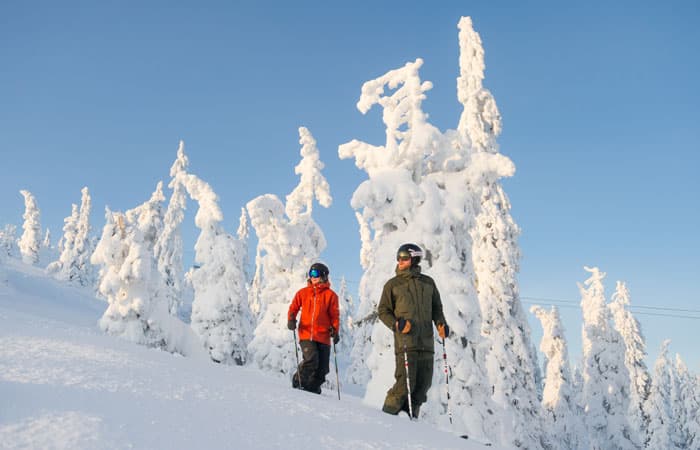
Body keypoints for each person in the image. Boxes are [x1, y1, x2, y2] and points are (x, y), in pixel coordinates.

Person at [378, 243, 449, 418]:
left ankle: (411, 422)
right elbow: (383, 311)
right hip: (406, 343)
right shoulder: (393, 284)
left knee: (422, 387)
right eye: (398, 258)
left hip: (426, 343)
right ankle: (386, 417)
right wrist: (397, 324)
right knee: (403, 385)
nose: (399, 261)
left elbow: (437, 308)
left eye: (404, 257)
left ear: (414, 258)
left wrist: (441, 324)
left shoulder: (428, 282)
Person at [287, 262, 340, 394]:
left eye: (315, 273)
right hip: (306, 334)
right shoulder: (303, 293)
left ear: (323, 275)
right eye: (310, 274)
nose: (312, 276)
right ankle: (298, 381)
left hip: (323, 336)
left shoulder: (331, 296)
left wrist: (335, 330)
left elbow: (334, 316)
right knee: (311, 359)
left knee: (323, 369)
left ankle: (312, 388)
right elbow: (293, 307)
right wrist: (291, 319)